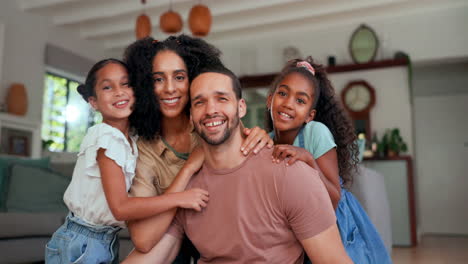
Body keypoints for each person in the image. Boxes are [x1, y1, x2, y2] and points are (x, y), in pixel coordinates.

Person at [122, 66, 353, 264]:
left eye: (222, 99)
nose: (211, 109)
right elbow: (150, 253)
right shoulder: (188, 191)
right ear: (191, 117)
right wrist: (188, 169)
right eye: (200, 102)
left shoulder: (291, 174)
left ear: (241, 107)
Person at [123, 35, 273, 261]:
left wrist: (265, 137)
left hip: (227, 227)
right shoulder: (144, 149)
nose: (170, 89)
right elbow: (143, 240)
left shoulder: (213, 124)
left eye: (180, 77)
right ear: (145, 85)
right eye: (158, 79)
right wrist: (188, 169)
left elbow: (252, 155)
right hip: (176, 236)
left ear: (193, 79)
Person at [45, 59, 209, 264]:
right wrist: (180, 198)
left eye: (126, 84)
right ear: (93, 102)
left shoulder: (130, 138)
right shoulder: (107, 138)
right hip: (82, 242)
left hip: (102, 238)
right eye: (107, 87)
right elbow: (120, 207)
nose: (119, 92)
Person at [267, 57, 392, 263]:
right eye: (282, 93)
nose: (288, 103)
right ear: (269, 100)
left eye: (300, 100)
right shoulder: (267, 142)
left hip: (334, 224)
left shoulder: (316, 133)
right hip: (296, 226)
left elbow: (333, 197)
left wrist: (308, 159)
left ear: (310, 115)